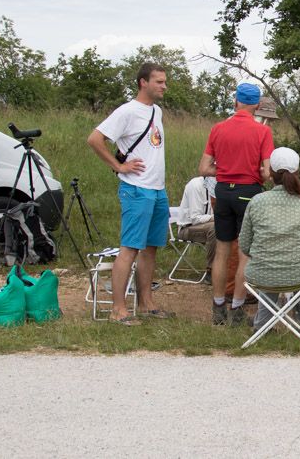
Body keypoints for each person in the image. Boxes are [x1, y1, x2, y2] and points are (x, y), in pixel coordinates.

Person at [86, 62, 171, 326]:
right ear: (143, 82)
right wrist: (119, 166)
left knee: (150, 248)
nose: (164, 86)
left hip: (157, 189)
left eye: (165, 81)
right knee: (130, 248)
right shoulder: (127, 111)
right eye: (159, 81)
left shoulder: (156, 111)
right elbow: (95, 139)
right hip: (136, 189)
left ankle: (146, 304)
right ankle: (118, 309)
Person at [199, 82, 274, 326]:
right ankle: (238, 310)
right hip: (248, 193)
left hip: (222, 192)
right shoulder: (262, 131)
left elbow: (203, 168)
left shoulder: (218, 128)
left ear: (236, 102)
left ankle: (218, 307)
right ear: (258, 105)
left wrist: (224, 169)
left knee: (222, 250)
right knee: (245, 254)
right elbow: (266, 173)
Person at [240, 147, 300, 335]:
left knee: (271, 267)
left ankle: (262, 327)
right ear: (297, 173)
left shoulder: (256, 202)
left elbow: (245, 245)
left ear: (270, 173)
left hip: (260, 274)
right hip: (299, 274)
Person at [176, 176, 216, 279]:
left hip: (206, 225)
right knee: (217, 228)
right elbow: (195, 219)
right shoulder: (196, 185)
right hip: (187, 228)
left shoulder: (220, 187)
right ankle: (211, 270)